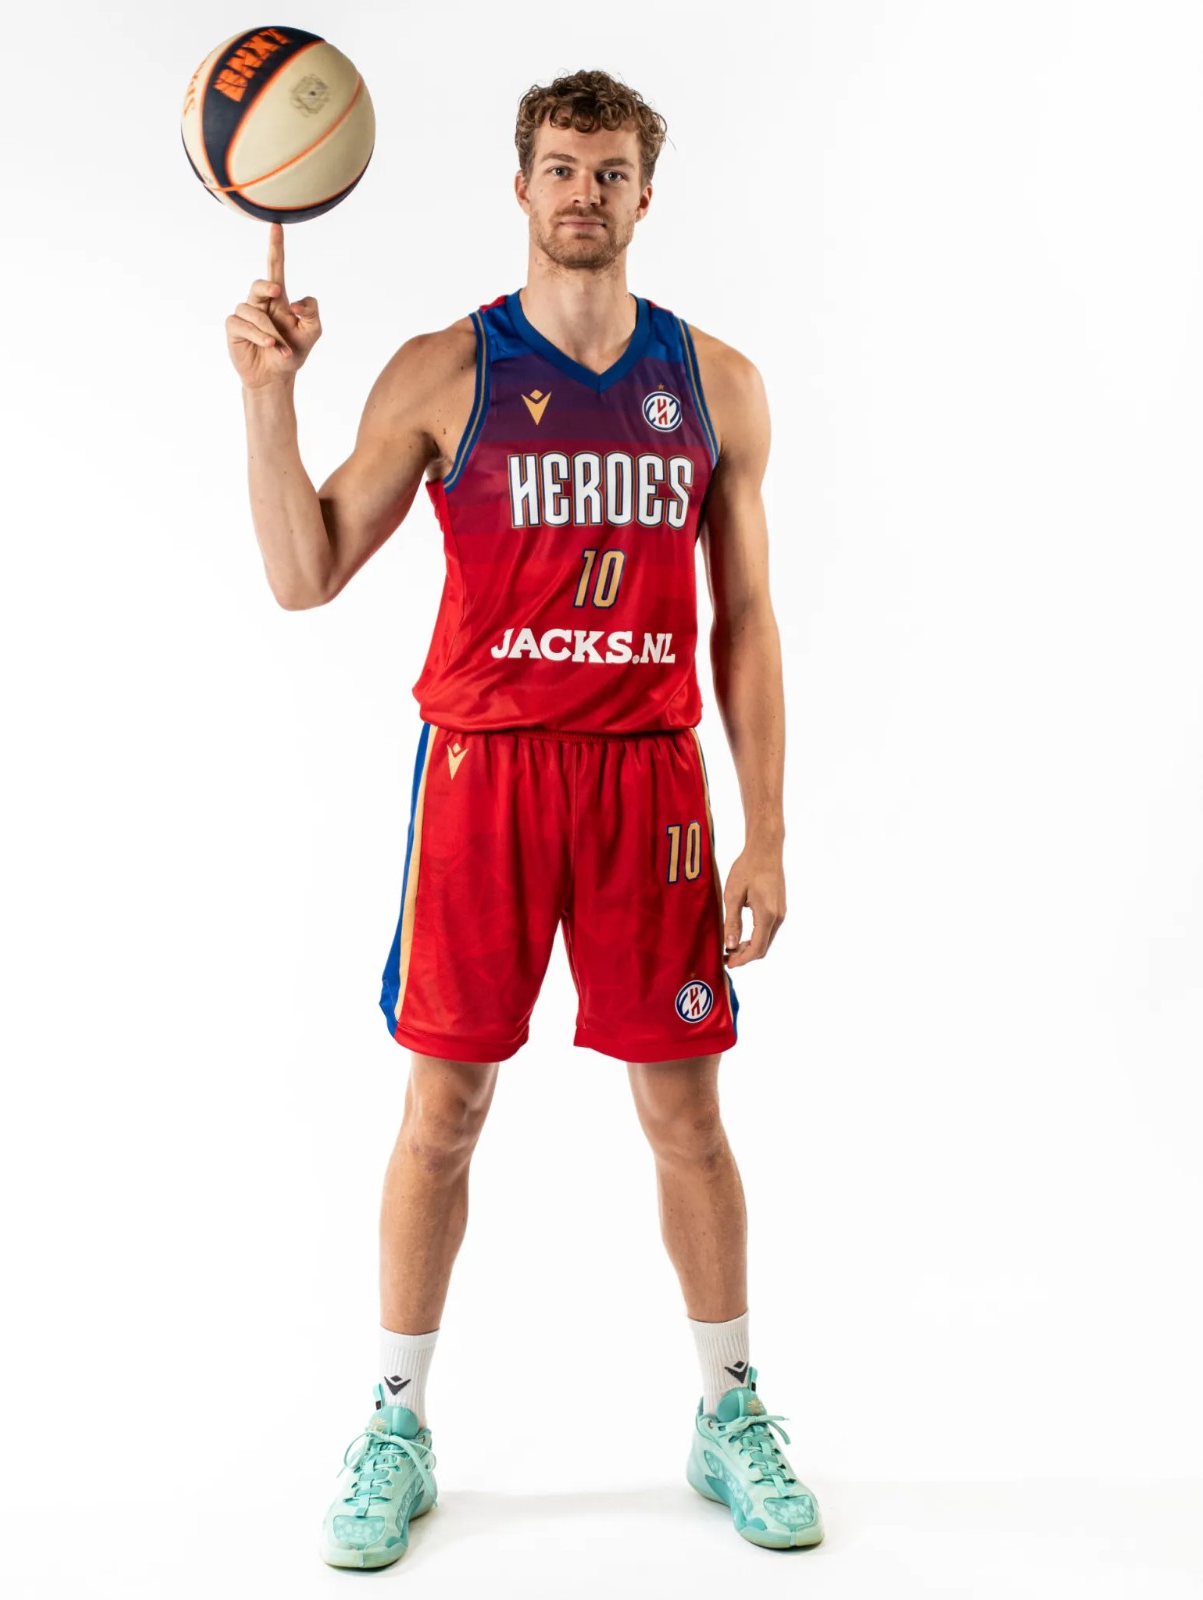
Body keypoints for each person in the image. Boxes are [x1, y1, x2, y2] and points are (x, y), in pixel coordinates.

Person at [227, 67, 823, 1568]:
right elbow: (303, 574)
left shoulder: (718, 383)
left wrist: (766, 828)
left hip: (650, 781)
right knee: (443, 1112)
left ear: (645, 195)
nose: (584, 194)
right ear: (520, 186)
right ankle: (394, 1424)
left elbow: (747, 618)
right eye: (561, 167)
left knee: (686, 1115)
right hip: (485, 779)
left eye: (610, 171)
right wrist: (268, 393)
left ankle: (730, 1410)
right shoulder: (448, 371)